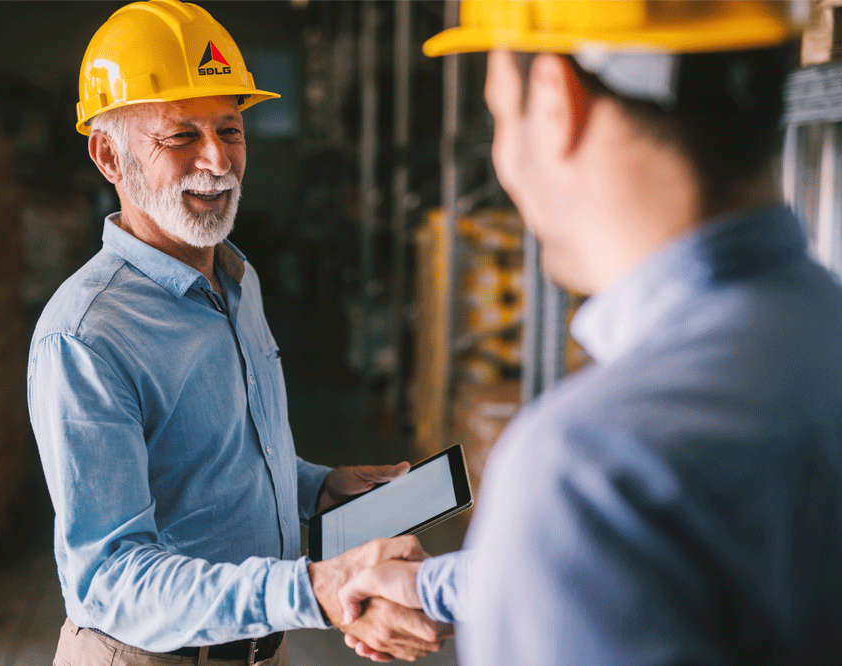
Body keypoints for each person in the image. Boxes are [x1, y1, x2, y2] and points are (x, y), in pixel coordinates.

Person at [339, 1, 842, 664]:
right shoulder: (816, 336)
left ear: (554, 102)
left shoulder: (586, 470)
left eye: (494, 113)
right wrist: (438, 586)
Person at [27, 2, 448, 664]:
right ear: (109, 154)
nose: (217, 160)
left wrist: (318, 487)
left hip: (258, 649)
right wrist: (314, 587)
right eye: (181, 137)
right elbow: (108, 580)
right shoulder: (87, 336)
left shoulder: (235, 279)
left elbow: (206, 459)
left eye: (231, 129)